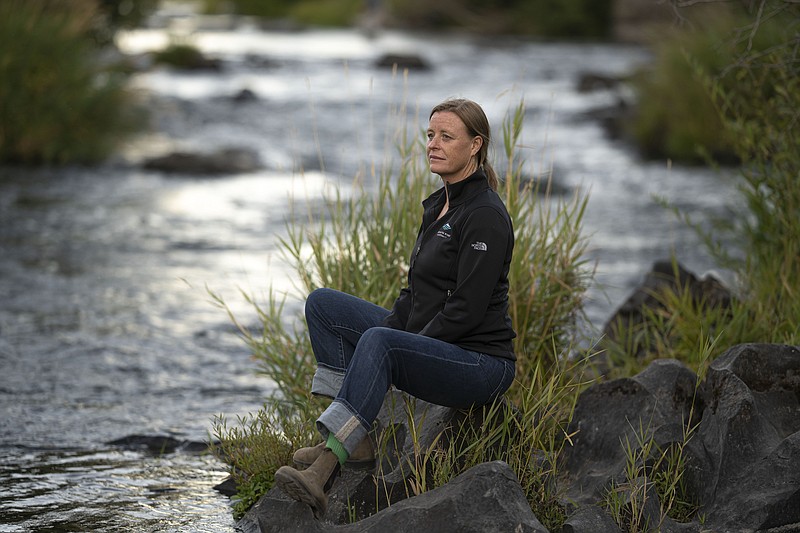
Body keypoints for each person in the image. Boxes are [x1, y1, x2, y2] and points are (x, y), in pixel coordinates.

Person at [274, 98, 517, 518]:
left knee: (382, 343)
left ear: (475, 145)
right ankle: (357, 440)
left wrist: (403, 347)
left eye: (446, 136)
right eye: (429, 135)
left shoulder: (485, 216)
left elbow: (467, 310)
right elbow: (413, 293)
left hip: (481, 364)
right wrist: (391, 333)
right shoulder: (438, 205)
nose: (433, 144)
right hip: (440, 343)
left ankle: (323, 471)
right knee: (324, 306)